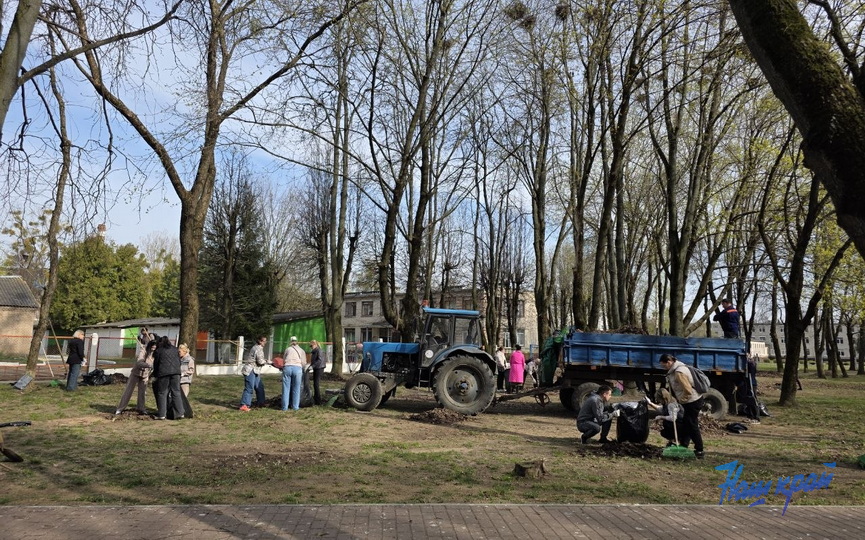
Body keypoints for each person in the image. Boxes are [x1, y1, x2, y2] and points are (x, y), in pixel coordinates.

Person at [659, 354, 704, 458]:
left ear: (669, 362)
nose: (664, 368)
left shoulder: (679, 372)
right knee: (687, 423)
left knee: (692, 424)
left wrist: (680, 401)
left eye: (664, 365)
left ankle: (699, 450)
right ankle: (684, 444)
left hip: (693, 401)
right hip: (689, 401)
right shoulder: (675, 370)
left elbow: (688, 390)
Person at [115, 331, 156, 415]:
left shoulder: (156, 353)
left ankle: (141, 408)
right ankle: (120, 408)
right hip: (136, 373)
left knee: (142, 392)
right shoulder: (143, 350)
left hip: (145, 375)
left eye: (155, 345)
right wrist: (149, 365)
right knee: (128, 391)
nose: (154, 347)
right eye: (152, 345)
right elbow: (139, 363)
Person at [152, 336, 184, 420]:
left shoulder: (159, 351)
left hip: (163, 374)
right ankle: (180, 413)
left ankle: (162, 414)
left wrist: (155, 375)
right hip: (176, 373)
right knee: (176, 392)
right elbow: (179, 361)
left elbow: (156, 364)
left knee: (162, 392)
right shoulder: (175, 349)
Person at [240, 335, 268, 411]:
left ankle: (261, 403)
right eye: (264, 341)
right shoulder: (257, 348)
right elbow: (260, 361)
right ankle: (244, 405)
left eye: (265, 341)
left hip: (255, 370)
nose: (265, 342)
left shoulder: (258, 348)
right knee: (249, 388)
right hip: (250, 370)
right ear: (259, 341)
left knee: (259, 387)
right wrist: (268, 362)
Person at [282, 336, 306, 411]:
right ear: (297, 342)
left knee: (286, 388)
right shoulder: (301, 350)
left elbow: (284, 360)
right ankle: (295, 407)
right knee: (296, 388)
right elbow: (304, 363)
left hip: (287, 368)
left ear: (290, 342)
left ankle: (284, 407)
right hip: (297, 369)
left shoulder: (287, 349)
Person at [309, 340, 326, 405]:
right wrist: (310, 366)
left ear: (315, 345)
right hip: (316, 368)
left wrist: (312, 366)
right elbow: (314, 360)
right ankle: (316, 398)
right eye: (310, 346)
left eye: (311, 346)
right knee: (315, 384)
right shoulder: (314, 351)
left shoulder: (319, 351)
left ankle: (318, 400)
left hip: (319, 368)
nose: (311, 347)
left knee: (316, 384)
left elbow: (319, 360)